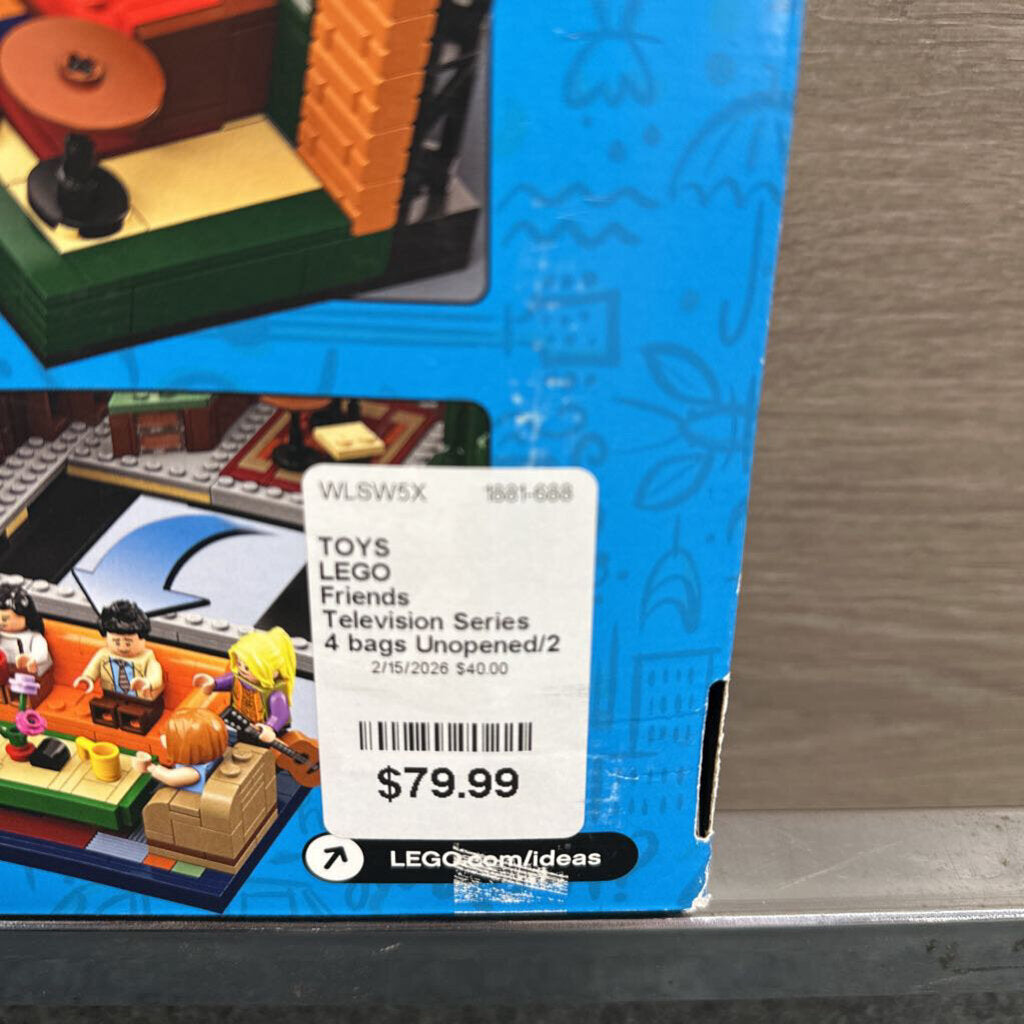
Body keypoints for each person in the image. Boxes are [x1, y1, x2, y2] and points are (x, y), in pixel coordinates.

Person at [193, 627, 294, 743]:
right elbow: (229, 681)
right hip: (242, 722)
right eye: (239, 664)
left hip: (263, 733)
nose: (241, 669)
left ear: (272, 671)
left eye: (247, 668)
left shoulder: (276, 695)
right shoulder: (239, 679)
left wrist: (269, 727)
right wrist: (213, 684)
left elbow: (280, 715)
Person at [74, 600, 164, 700]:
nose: (122, 648)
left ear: (142, 638)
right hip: (111, 696)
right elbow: (93, 668)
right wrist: (87, 678)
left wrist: (148, 682)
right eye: (116, 642)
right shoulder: (103, 655)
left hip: (139, 699)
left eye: (128, 643)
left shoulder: (146, 658)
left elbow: (155, 674)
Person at [134, 708, 228, 793]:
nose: (163, 737)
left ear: (187, 747)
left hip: (188, 797)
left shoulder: (192, 773)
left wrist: (150, 767)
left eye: (171, 737)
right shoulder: (210, 754)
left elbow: (170, 777)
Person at [0, 583, 51, 678]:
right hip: (5, 674)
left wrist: (32, 658)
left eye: (5, 618)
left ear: (25, 616)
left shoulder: (32, 637)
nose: (1, 622)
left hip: (30, 675)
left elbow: (41, 651)